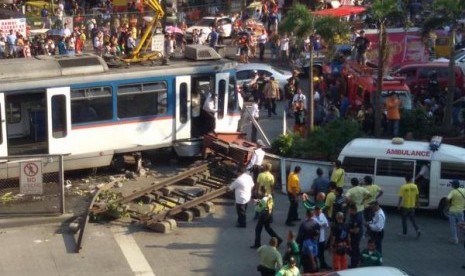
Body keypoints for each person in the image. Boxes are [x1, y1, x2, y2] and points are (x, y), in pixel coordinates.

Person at [397, 174, 421, 239]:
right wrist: (418, 203)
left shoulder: (403, 187)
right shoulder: (415, 186)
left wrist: (399, 205)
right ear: (411, 179)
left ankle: (404, 233)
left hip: (405, 206)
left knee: (404, 220)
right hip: (412, 206)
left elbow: (401, 197)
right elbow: (417, 195)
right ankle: (417, 230)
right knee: (413, 219)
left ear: (405, 179)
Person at [446, 179, 465, 245]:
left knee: (453, 226)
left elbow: (447, 198)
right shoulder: (463, 190)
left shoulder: (453, 191)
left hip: (452, 211)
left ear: (454, 185)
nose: (451, 185)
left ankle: (455, 240)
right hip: (460, 211)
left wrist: (449, 204)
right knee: (462, 225)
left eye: (452, 184)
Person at [312, 206, 330, 270]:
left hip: (322, 238)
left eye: (320, 211)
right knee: (315, 253)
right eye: (317, 211)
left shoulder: (322, 215)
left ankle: (323, 264)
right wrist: (321, 225)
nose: (319, 213)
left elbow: (326, 224)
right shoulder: (312, 218)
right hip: (316, 239)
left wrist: (321, 225)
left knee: (321, 253)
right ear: (315, 211)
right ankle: (315, 266)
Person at [348, 204, 363, 268]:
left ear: (353, 210)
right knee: (356, 249)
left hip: (356, 236)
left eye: (350, 210)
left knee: (354, 250)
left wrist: (348, 229)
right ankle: (358, 261)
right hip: (353, 236)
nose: (349, 211)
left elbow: (356, 230)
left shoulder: (357, 218)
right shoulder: (352, 215)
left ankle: (353, 265)